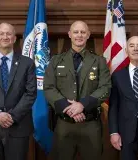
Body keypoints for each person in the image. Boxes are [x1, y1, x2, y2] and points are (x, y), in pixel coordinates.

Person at [44, 20, 111, 160]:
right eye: (76, 32)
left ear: (88, 35)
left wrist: (82, 105)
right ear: (69, 34)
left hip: (91, 124)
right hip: (64, 124)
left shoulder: (99, 61)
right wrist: (69, 108)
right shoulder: (56, 61)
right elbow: (49, 88)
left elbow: (105, 87)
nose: (79, 35)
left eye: (83, 32)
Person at [0, 23, 37, 160]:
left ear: (14, 38)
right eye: (2, 34)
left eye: (8, 33)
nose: (5, 37)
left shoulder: (27, 63)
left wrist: (12, 116)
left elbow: (30, 93)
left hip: (18, 127)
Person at [108, 36, 138, 160]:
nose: (135, 49)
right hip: (126, 132)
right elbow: (114, 106)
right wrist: (114, 132)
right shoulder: (117, 76)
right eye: (131, 46)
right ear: (126, 50)